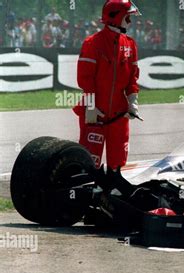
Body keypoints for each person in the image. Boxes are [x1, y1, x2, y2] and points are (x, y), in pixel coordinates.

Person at [73, 0, 141, 169]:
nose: (130, 22)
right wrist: (90, 105)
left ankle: (114, 187)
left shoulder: (130, 44)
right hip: (96, 111)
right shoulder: (92, 43)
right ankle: (88, 188)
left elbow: (132, 79)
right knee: (90, 157)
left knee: (118, 159)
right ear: (116, 17)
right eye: (128, 17)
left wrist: (133, 102)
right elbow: (85, 79)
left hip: (119, 113)